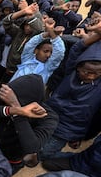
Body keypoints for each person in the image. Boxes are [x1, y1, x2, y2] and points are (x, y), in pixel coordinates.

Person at [41, 22, 101, 159]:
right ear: (78, 67)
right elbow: (77, 49)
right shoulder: (71, 71)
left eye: (96, 73)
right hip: (49, 116)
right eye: (87, 72)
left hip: (69, 129)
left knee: (43, 154)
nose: (91, 76)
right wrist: (97, 35)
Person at [0, 75, 58, 172]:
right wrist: (14, 110)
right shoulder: (10, 97)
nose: (8, 102)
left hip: (10, 160)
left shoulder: (49, 118)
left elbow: (32, 147)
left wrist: (17, 110)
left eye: (13, 101)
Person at [10, 17, 65, 83]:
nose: (48, 55)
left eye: (51, 53)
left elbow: (59, 53)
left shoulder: (47, 68)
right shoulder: (27, 59)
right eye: (45, 51)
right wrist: (49, 32)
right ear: (36, 51)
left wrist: (52, 32)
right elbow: (31, 44)